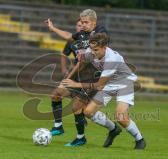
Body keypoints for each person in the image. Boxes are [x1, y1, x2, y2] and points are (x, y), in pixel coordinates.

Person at [61, 33, 146, 149]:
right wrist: (68, 79)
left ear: (105, 47)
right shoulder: (90, 51)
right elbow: (82, 63)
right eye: (91, 49)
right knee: (88, 112)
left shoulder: (111, 59)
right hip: (109, 83)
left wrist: (76, 84)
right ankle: (113, 129)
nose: (93, 52)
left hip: (124, 83)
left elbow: (99, 85)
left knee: (120, 117)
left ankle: (139, 139)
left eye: (96, 50)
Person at [46, 9, 110, 147]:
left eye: (86, 22)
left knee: (78, 107)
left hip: (92, 77)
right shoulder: (82, 34)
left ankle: (81, 137)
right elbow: (69, 36)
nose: (83, 24)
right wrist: (53, 28)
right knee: (56, 94)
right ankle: (58, 127)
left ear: (94, 22)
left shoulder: (100, 31)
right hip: (78, 74)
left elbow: (100, 40)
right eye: (81, 22)